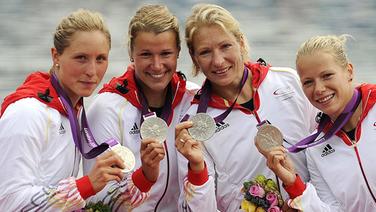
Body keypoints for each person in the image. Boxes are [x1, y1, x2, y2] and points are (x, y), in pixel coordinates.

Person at [174, 3, 319, 212]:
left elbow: (325, 156)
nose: (218, 61)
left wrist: (305, 202)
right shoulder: (194, 123)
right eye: (205, 52)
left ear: (241, 42)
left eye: (225, 46)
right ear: (194, 57)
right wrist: (197, 169)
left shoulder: (288, 82)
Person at [0, 9, 126, 211]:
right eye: (81, 58)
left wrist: (146, 175)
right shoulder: (26, 113)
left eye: (100, 59)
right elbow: (8, 202)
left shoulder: (73, 108)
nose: (92, 71)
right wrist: (86, 186)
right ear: (55, 56)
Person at [82, 4, 199, 211]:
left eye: (165, 54)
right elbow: (99, 202)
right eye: (146, 54)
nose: (156, 65)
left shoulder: (193, 99)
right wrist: (144, 176)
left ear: (178, 53)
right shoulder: (107, 108)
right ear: (131, 53)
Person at [257, 35, 376, 211]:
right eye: (308, 82)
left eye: (327, 75)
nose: (319, 89)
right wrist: (292, 182)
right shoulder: (315, 148)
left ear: (349, 71)